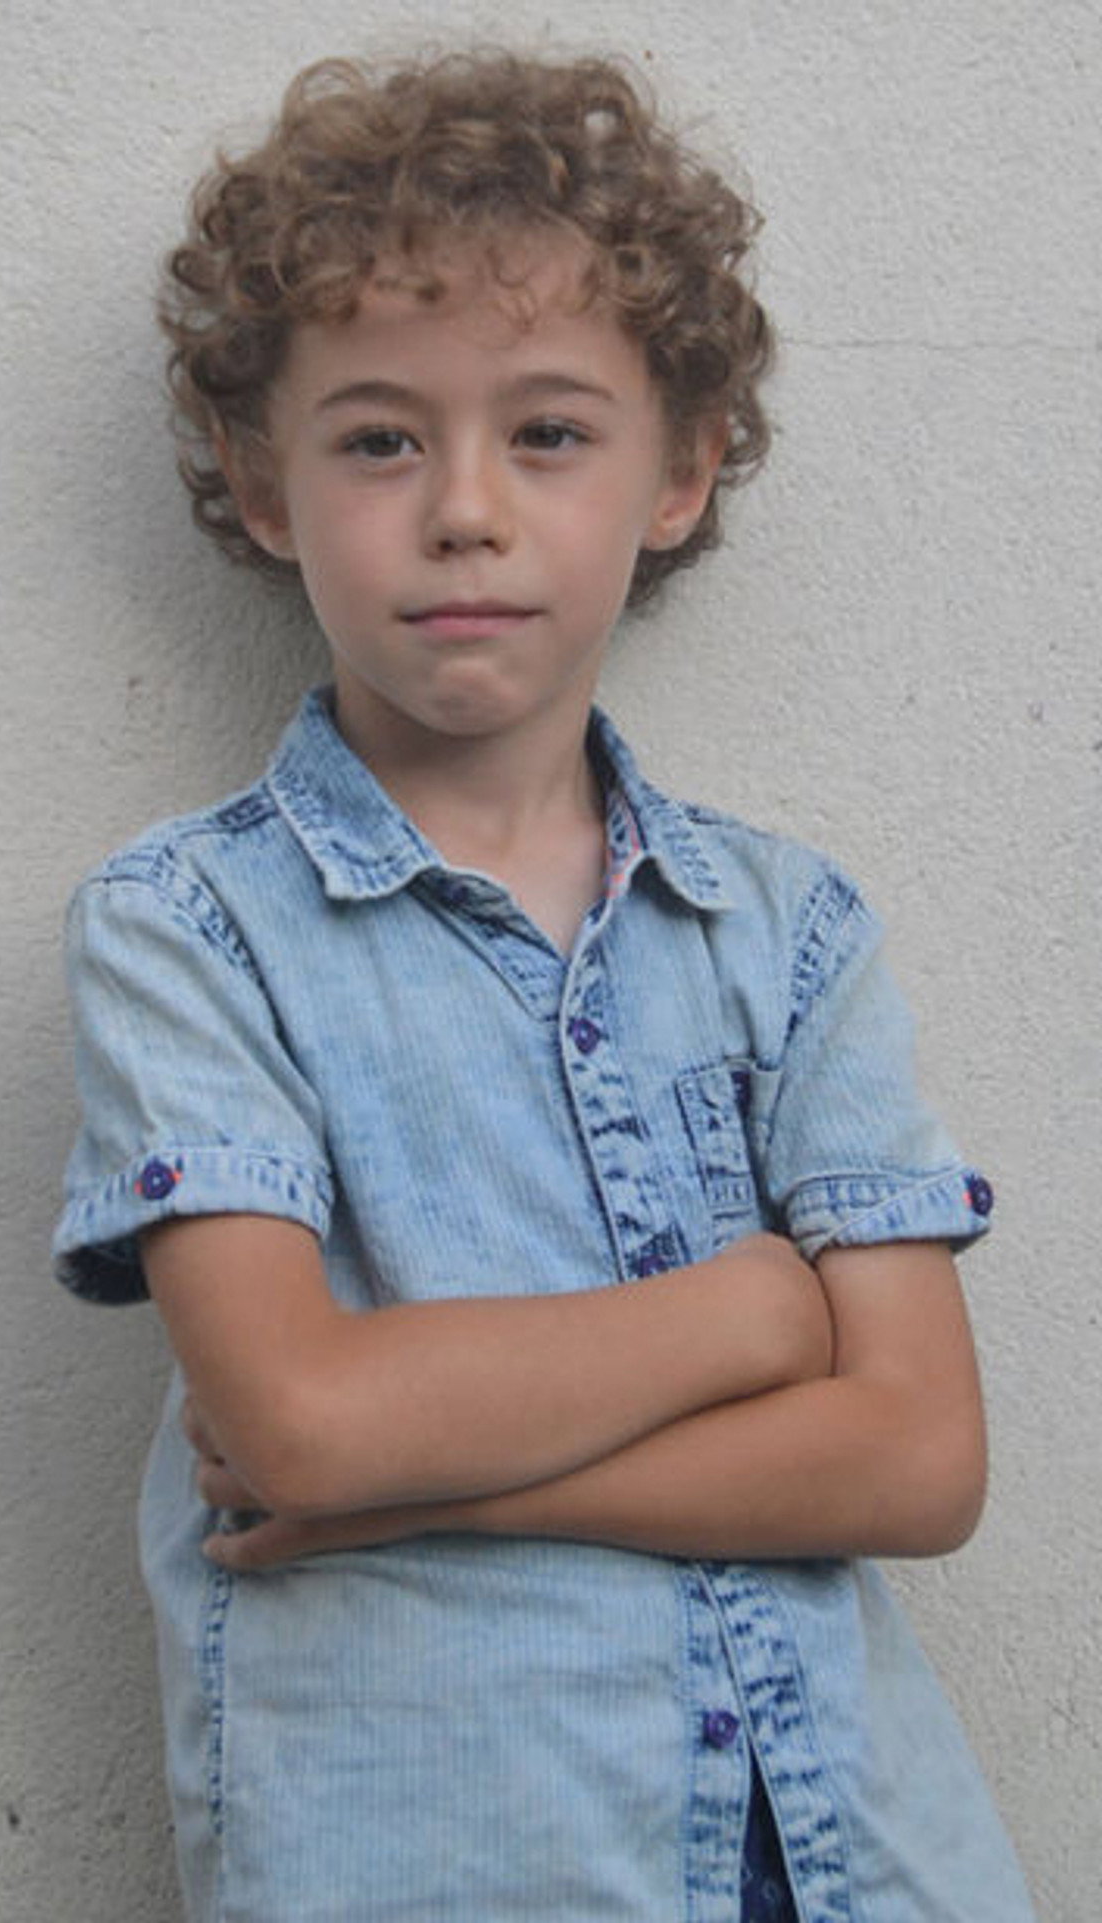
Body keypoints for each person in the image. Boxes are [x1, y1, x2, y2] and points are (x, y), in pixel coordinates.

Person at [53, 51, 1034, 1922]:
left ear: (682, 472)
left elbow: (916, 1460)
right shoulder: (189, 926)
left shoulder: (787, 927)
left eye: (551, 433)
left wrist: (436, 1485)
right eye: (379, 440)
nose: (466, 509)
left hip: (861, 1858)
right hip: (461, 1862)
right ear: (263, 484)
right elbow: (299, 1424)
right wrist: (754, 1310)